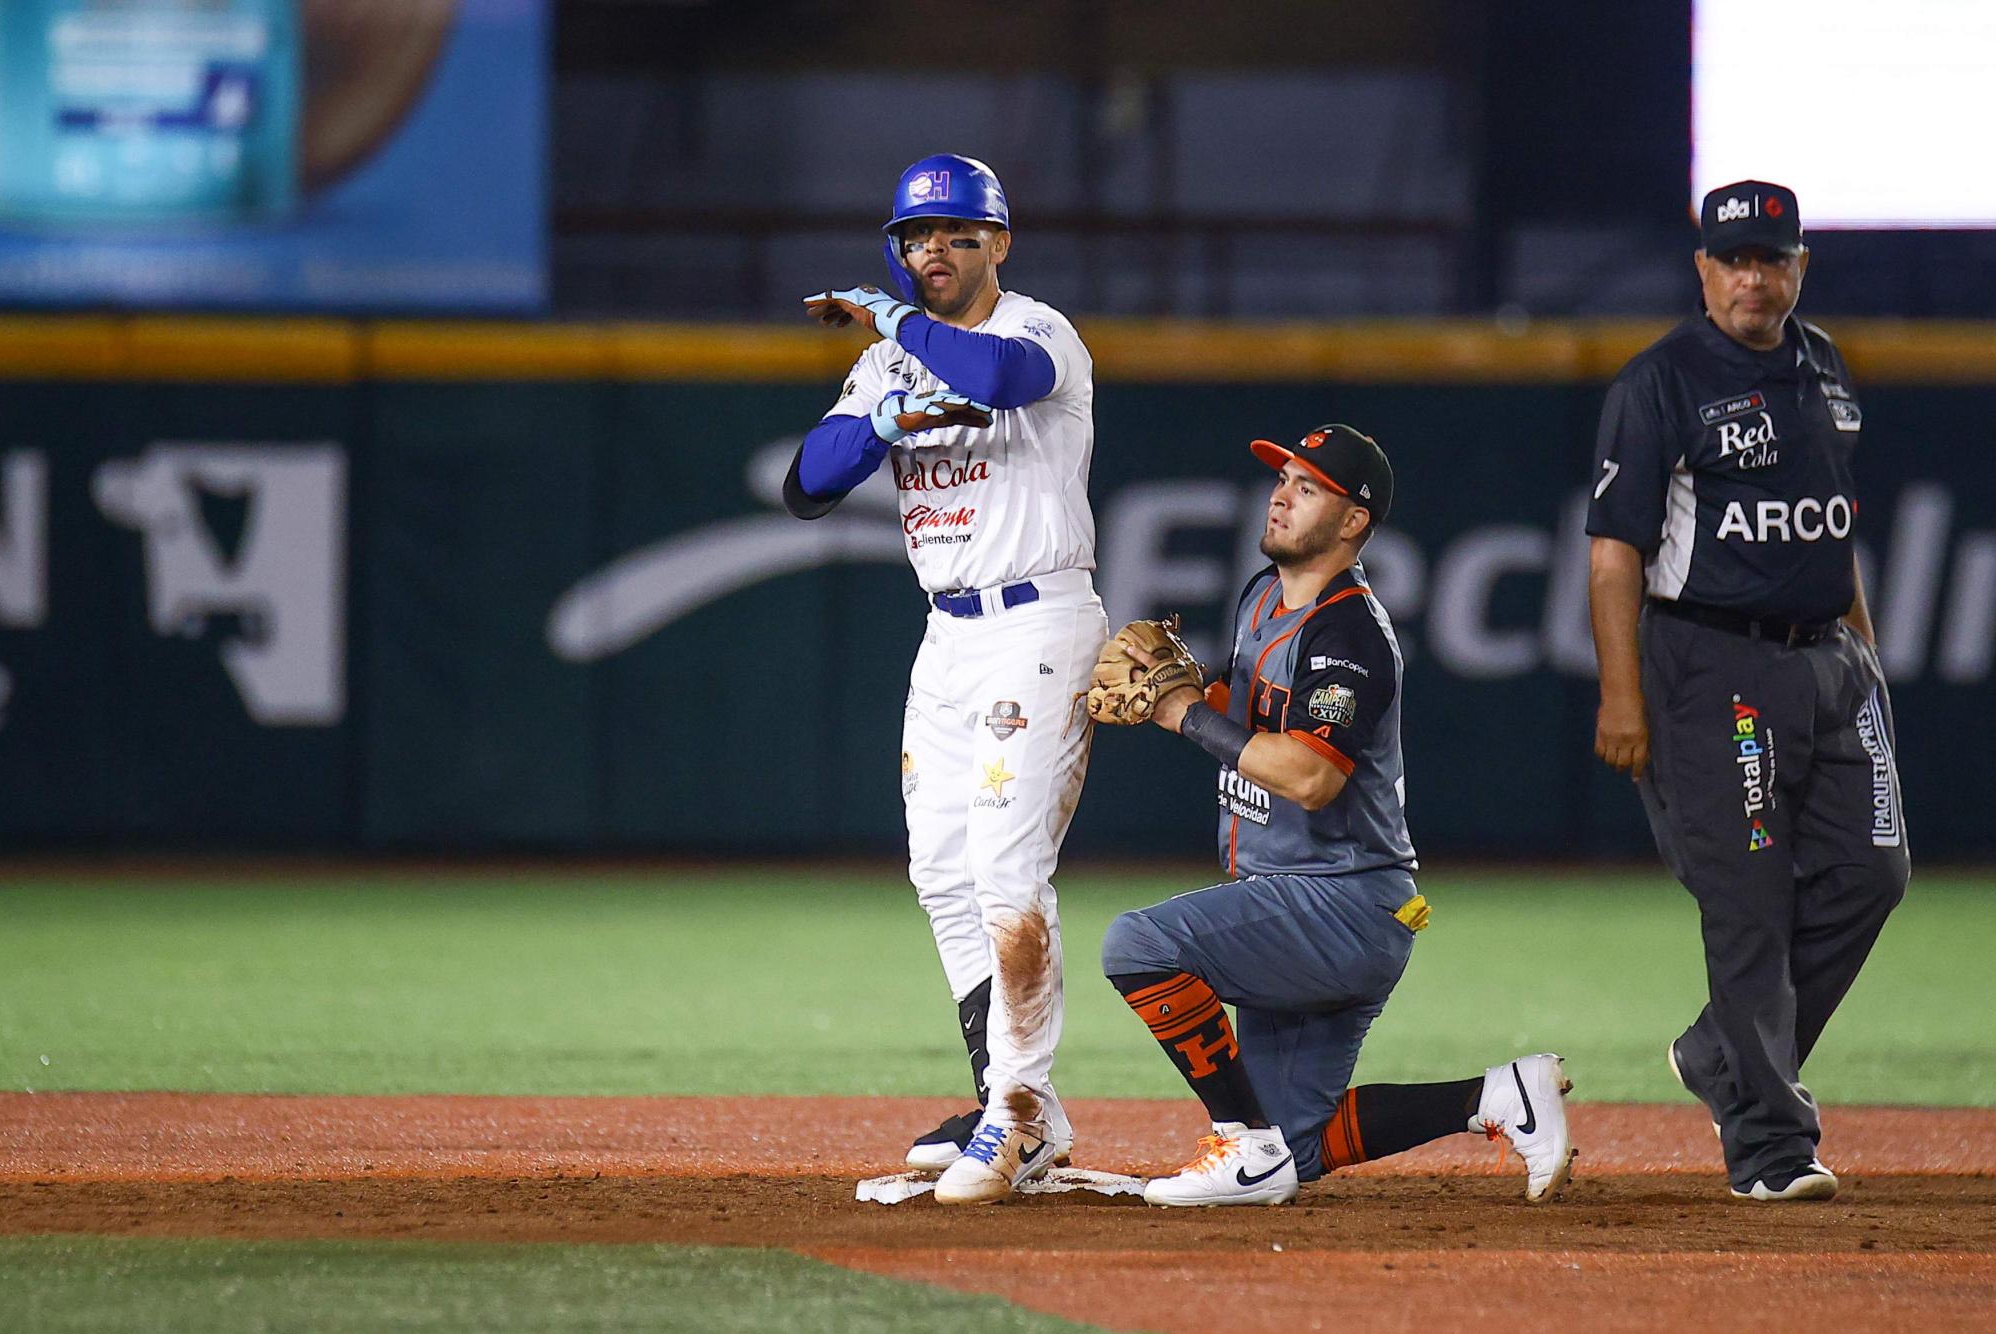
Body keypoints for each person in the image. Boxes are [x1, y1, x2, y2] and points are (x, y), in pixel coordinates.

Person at [1092, 424, 1576, 1207]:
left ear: (1354, 520)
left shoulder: (1350, 631)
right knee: (1301, 1144)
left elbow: (1312, 777)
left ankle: (1242, 1147)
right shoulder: (1260, 595)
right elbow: (1256, 725)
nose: (1282, 493)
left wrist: (1183, 714)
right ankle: (1497, 1097)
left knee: (1137, 944)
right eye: (1283, 478)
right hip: (1296, 896)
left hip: (1340, 902)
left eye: (1308, 486)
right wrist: (1197, 699)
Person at [783, 153, 1109, 1206]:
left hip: (1037, 618)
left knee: (1010, 872)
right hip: (948, 635)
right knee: (941, 871)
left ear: (998, 245)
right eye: (917, 238)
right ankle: (1008, 1103)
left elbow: (999, 383)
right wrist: (876, 417)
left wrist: (888, 321)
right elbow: (806, 485)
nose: (934, 252)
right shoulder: (888, 362)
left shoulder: (1034, 330)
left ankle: (1013, 1118)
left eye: (957, 235)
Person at [1586, 180, 1909, 1202]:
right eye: (1732, 259)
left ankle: (1720, 1052)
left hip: (1828, 659)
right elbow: (1610, 554)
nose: (1751, 277)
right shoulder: (1661, 381)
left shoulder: (1822, 366)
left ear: (1798, 267)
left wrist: (1864, 651)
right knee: (1748, 901)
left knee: (1872, 871)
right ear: (1700, 269)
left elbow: (1833, 525)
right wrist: (1621, 696)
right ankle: (1769, 1147)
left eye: (1770, 258)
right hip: (1713, 662)